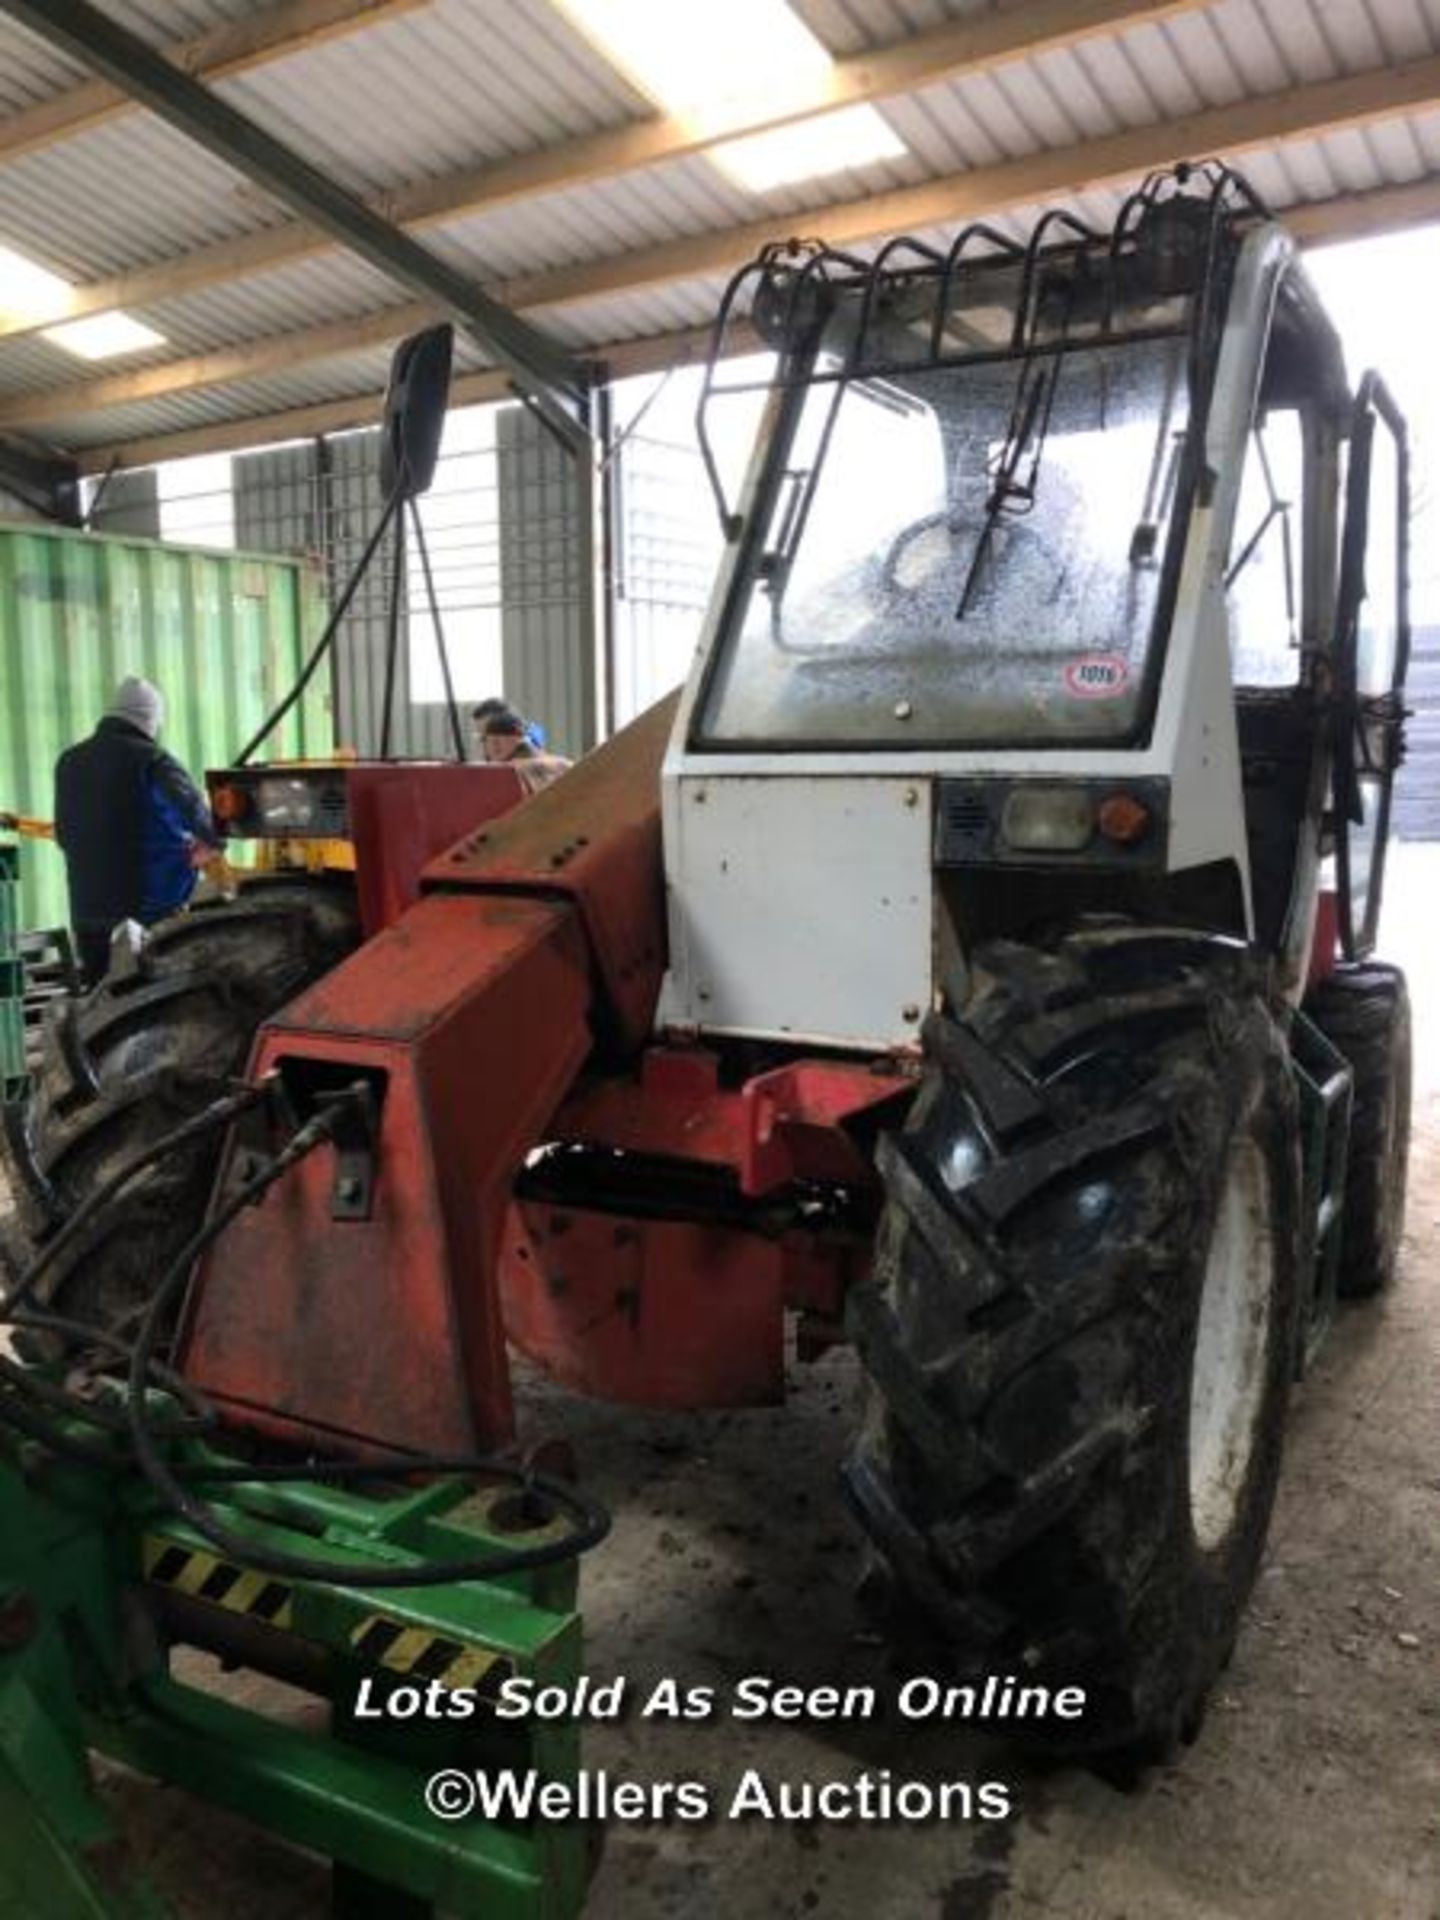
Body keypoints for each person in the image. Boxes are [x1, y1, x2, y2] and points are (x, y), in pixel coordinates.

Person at [54, 676, 220, 984]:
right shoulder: (154, 762)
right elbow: (206, 825)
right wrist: (205, 848)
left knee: (99, 1000)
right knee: (151, 1002)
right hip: (147, 915)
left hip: (87, 911)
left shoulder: (69, 761)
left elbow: (64, 835)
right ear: (149, 719)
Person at [471, 702, 571, 794]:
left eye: (498, 730)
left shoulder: (511, 770)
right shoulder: (562, 764)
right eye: (483, 738)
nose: (491, 744)